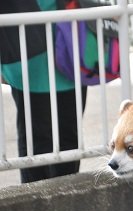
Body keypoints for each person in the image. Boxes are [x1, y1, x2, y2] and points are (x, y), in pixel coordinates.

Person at [0, 0, 87, 183]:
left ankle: (67, 193)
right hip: (27, 53)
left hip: (71, 48)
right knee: (37, 136)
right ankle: (37, 199)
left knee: (69, 133)